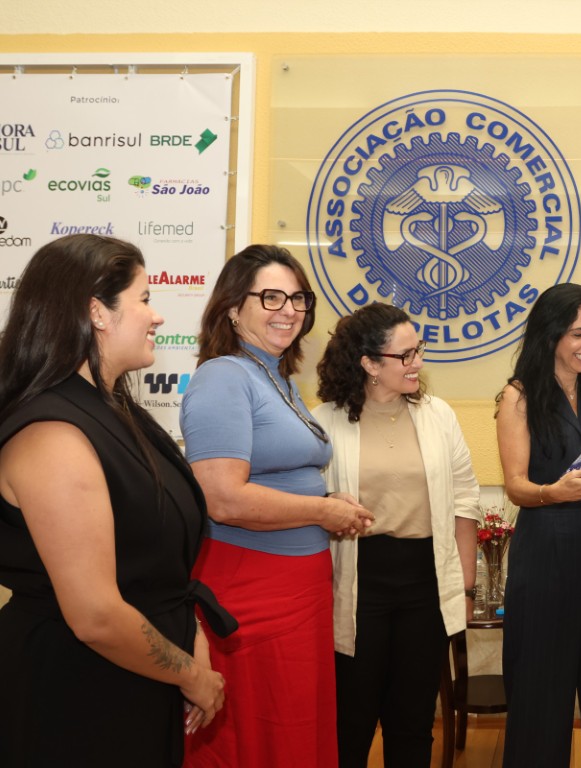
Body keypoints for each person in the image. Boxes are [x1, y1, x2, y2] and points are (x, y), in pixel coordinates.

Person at [0, 234, 231, 766]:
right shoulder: (54, 436)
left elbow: (154, 568)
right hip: (75, 697)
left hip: (131, 680)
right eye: (144, 299)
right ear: (96, 313)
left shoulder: (111, 408)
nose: (157, 316)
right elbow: (96, 616)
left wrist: (189, 632)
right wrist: (192, 676)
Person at [181, 244, 373, 767]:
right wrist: (320, 512)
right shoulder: (223, 376)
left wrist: (325, 499)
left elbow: (277, 477)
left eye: (298, 298)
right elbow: (222, 498)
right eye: (271, 297)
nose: (289, 310)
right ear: (232, 308)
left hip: (300, 585)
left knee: (297, 728)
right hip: (252, 588)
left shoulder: (278, 378)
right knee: (261, 733)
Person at [312, 302, 481, 767]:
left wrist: (466, 588)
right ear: (369, 363)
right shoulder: (324, 422)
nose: (417, 363)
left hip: (426, 583)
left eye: (417, 350)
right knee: (352, 720)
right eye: (405, 355)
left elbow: (465, 501)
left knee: (413, 721)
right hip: (357, 583)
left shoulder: (438, 415)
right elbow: (309, 505)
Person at [494, 282, 581, 767]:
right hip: (546, 549)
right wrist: (554, 492)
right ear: (550, 334)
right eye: (578, 333)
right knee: (540, 689)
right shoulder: (518, 397)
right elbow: (515, 486)